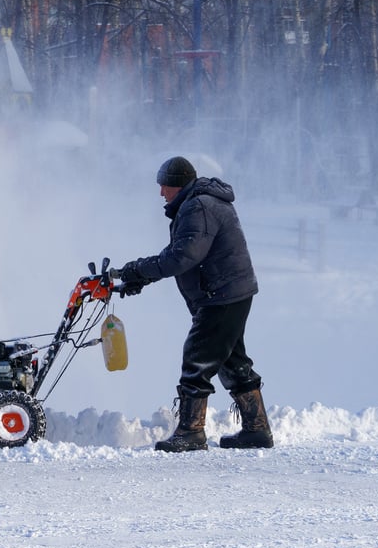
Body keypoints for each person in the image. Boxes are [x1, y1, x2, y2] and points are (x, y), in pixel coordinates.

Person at [117, 156, 273, 452]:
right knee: (232, 361)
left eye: (164, 185)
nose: (161, 192)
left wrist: (138, 269)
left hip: (221, 295)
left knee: (197, 358)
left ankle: (191, 431)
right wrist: (141, 276)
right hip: (228, 292)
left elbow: (182, 256)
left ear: (178, 184)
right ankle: (257, 429)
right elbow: (181, 252)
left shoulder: (199, 206)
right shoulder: (197, 203)